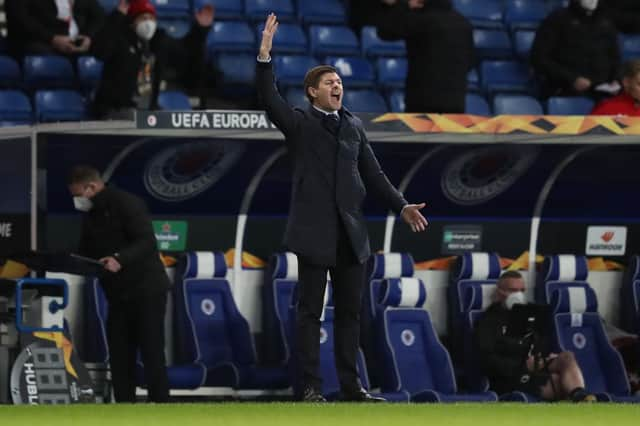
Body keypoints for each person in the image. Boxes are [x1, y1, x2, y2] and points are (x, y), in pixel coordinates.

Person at [256, 14, 429, 402]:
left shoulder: (353, 126)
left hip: (352, 236)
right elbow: (270, 99)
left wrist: (401, 207)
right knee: (310, 314)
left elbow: (374, 173)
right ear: (312, 93)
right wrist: (265, 56)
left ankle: (352, 387)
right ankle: (312, 388)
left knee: (351, 315)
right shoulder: (300, 124)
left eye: (340, 82)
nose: (337, 85)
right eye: (329, 82)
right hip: (314, 233)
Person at [68, 165, 169, 403]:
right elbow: (85, 251)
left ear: (91, 187)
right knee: (119, 353)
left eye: (77, 195)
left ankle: (162, 405)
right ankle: (124, 406)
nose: (76, 201)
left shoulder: (127, 203)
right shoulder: (91, 215)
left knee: (151, 349)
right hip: (117, 294)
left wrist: (119, 259)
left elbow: (146, 242)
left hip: (147, 289)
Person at [474, 271, 596, 402]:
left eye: (522, 290)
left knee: (566, 357)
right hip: (511, 375)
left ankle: (579, 395)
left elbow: (540, 341)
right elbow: (487, 360)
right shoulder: (488, 320)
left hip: (536, 365)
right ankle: (581, 402)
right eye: (513, 290)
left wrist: (544, 357)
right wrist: (523, 366)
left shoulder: (530, 314)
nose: (518, 295)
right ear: (500, 292)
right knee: (557, 380)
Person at [90, 0, 214, 119]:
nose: (148, 23)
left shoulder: (158, 41)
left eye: (152, 19)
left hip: (146, 111)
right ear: (133, 22)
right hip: (114, 109)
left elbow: (184, 50)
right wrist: (117, 16)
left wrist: (199, 30)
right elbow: (99, 50)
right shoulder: (119, 39)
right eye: (143, 18)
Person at [376, 0, 474, 113]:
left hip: (422, 103)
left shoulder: (420, 19)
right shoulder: (465, 24)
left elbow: (385, 31)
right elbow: (470, 63)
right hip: (456, 103)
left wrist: (403, 5)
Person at [531, 0, 621, 100]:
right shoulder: (557, 19)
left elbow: (614, 56)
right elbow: (539, 58)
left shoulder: (606, 21)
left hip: (602, 93)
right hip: (564, 91)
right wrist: (571, 79)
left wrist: (615, 79)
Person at [4, 0, 104, 56]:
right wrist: (52, 39)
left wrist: (88, 37)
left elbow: (99, 16)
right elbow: (20, 19)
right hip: (42, 41)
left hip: (77, 41)